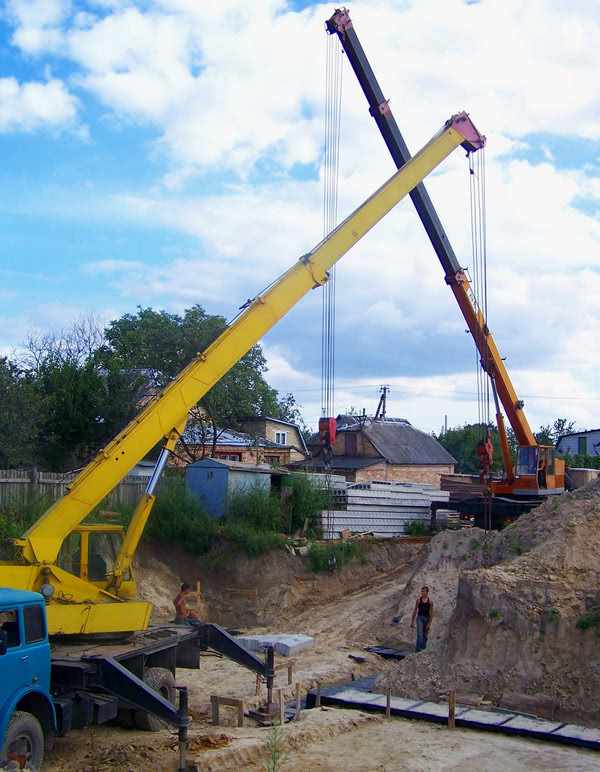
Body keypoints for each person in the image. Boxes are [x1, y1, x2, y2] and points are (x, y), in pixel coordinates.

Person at [410, 586, 434, 652]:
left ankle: (424, 649)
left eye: (423, 591)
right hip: (420, 618)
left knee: (425, 635)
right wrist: (412, 622)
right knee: (420, 634)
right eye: (422, 591)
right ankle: (418, 650)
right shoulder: (418, 601)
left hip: (427, 618)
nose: (422, 593)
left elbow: (431, 613)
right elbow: (415, 611)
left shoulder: (430, 602)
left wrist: (429, 623)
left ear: (427, 592)